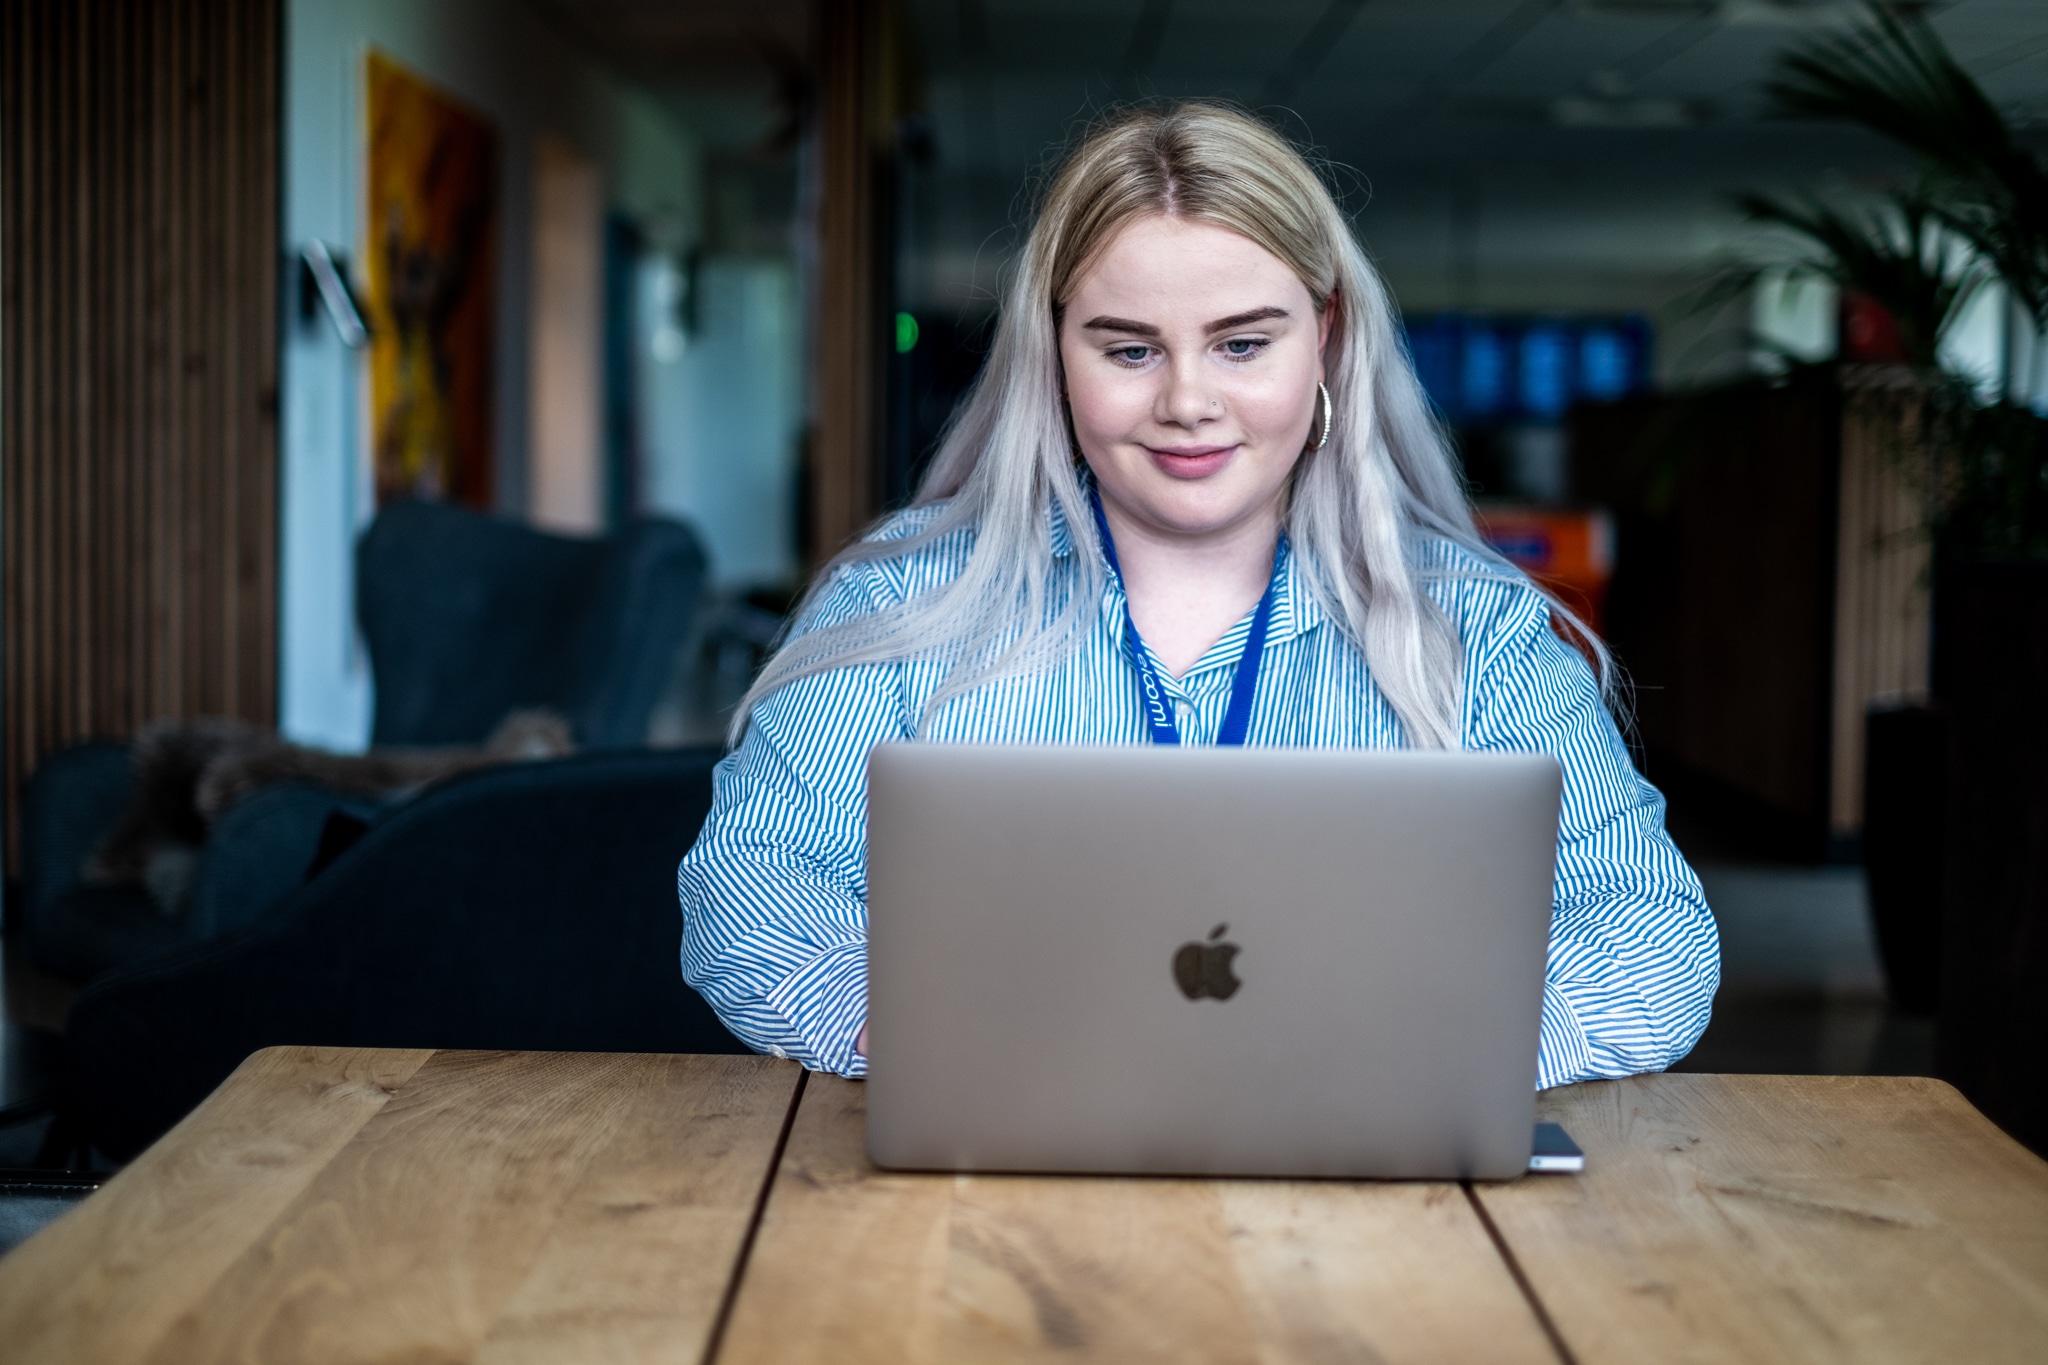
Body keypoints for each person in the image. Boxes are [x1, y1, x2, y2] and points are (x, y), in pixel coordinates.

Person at [677, 102, 1718, 1086]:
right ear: (1053, 354)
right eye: (1128, 349)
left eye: (1241, 344)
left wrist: (1414, 1048)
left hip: (1364, 1206)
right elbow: (752, 883)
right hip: (993, 1179)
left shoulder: (1475, 631)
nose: (1185, 402)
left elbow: (1647, 931)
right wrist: (922, 1030)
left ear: (1328, 336)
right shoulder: (902, 599)